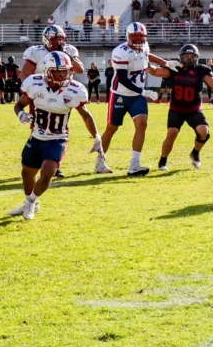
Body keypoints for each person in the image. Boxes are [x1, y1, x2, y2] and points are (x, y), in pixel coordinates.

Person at [9, 52, 101, 221]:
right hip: (36, 136)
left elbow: (86, 115)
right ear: (47, 71)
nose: (64, 75)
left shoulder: (74, 90)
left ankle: (31, 201)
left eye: (66, 71)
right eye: (59, 71)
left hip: (58, 138)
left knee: (48, 171)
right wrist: (20, 114)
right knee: (27, 173)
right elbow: (19, 104)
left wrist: (96, 137)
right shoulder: (35, 84)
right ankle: (31, 201)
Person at [100, 22, 170, 177]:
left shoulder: (144, 47)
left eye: (141, 37)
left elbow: (147, 55)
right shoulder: (120, 52)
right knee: (111, 128)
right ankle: (100, 160)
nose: (138, 40)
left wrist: (166, 63)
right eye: (135, 37)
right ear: (128, 37)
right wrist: (144, 91)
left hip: (137, 96)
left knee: (142, 124)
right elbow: (123, 79)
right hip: (120, 94)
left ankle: (134, 164)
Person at [153, 45, 213, 171]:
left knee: (204, 132)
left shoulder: (201, 70)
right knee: (172, 133)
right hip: (176, 108)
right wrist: (143, 60)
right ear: (181, 57)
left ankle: (195, 153)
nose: (189, 58)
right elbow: (154, 71)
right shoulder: (175, 67)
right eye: (186, 55)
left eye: (192, 56)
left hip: (194, 109)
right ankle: (162, 161)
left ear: (196, 57)